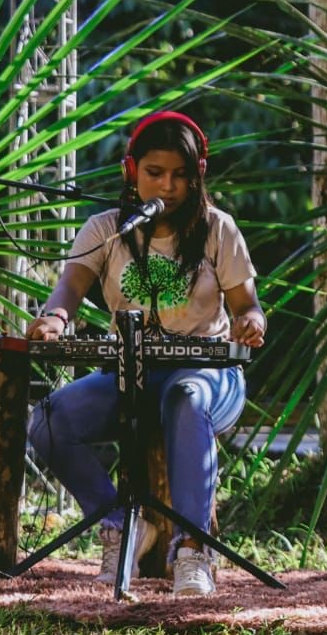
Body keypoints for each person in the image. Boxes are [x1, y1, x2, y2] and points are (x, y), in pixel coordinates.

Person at [27, 111, 266, 597]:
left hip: (210, 379)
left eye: (180, 174)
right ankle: (122, 523)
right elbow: (67, 291)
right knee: (49, 421)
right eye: (155, 172)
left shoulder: (218, 229)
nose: (168, 186)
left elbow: (248, 306)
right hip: (131, 376)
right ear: (130, 170)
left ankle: (192, 550)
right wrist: (54, 319)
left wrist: (251, 322)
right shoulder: (105, 230)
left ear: (198, 174)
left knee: (186, 396)